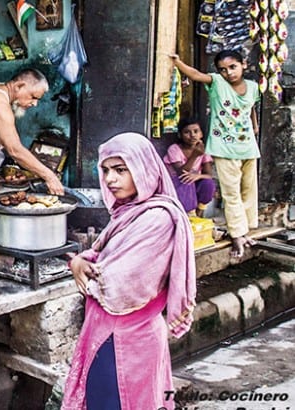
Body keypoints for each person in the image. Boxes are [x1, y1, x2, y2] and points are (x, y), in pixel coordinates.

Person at [62, 132, 196, 410]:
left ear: (144, 169)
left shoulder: (157, 219)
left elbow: (119, 284)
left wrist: (86, 268)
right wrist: (79, 262)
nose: (111, 179)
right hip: (107, 335)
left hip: (126, 341)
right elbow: (99, 254)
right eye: (106, 170)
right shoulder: (129, 212)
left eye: (121, 170)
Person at [170, 50, 260, 258]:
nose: (228, 73)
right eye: (223, 69)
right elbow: (195, 75)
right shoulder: (218, 83)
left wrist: (254, 126)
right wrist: (178, 63)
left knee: (248, 190)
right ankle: (238, 234)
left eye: (232, 67)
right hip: (225, 148)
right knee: (231, 193)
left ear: (243, 65)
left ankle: (245, 229)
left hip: (247, 147)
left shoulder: (253, 87)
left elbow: (252, 107)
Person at [164, 117, 216, 218]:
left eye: (196, 131)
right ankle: (189, 215)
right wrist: (195, 155)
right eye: (187, 132)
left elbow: (209, 175)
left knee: (208, 183)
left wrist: (197, 176)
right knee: (186, 179)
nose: (192, 135)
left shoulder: (203, 150)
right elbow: (181, 172)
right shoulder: (174, 149)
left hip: (193, 183)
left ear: (201, 134)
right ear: (180, 135)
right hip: (175, 185)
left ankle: (199, 213)